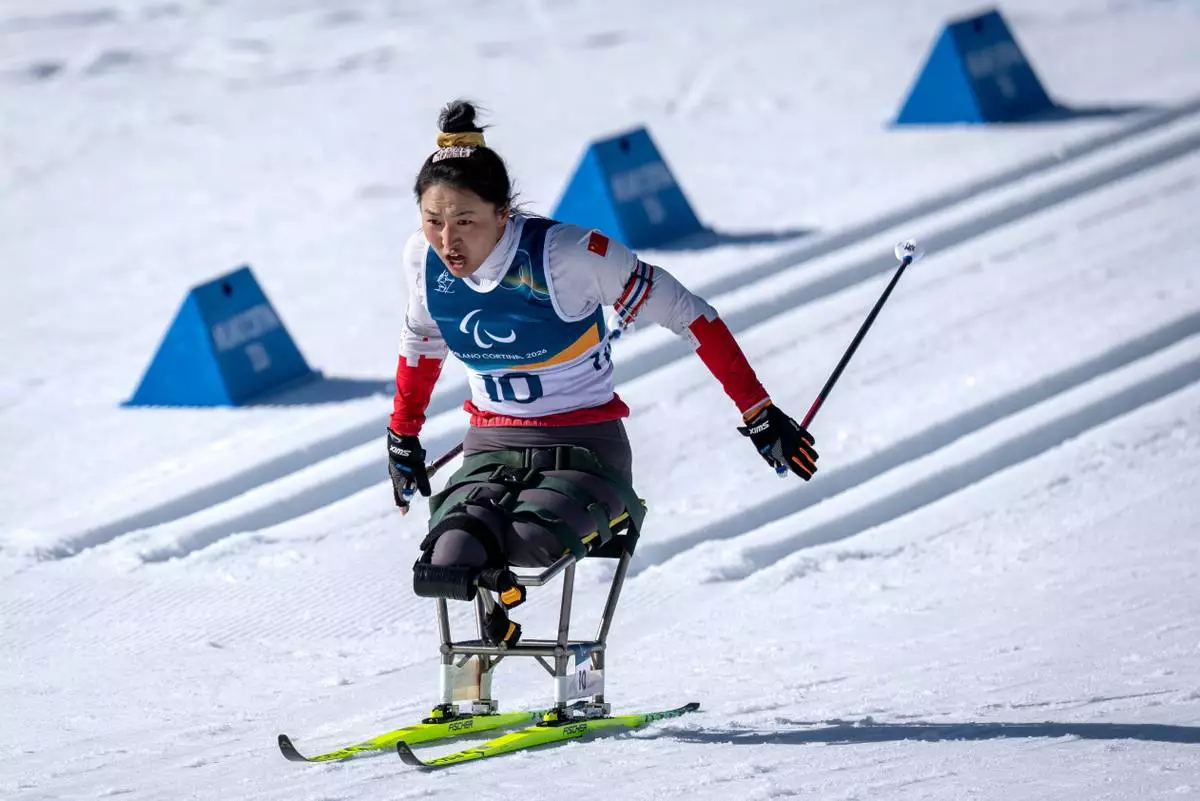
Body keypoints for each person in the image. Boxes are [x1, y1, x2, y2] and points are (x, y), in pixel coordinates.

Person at [388, 100, 819, 645]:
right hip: (491, 444)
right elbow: (422, 343)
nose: (448, 242)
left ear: (503, 213)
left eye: (465, 221)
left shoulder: (566, 256)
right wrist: (402, 437)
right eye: (433, 222)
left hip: (584, 446)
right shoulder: (421, 259)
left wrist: (759, 413)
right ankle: (477, 673)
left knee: (526, 542)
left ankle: (535, 635)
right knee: (445, 560)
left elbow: (692, 316)